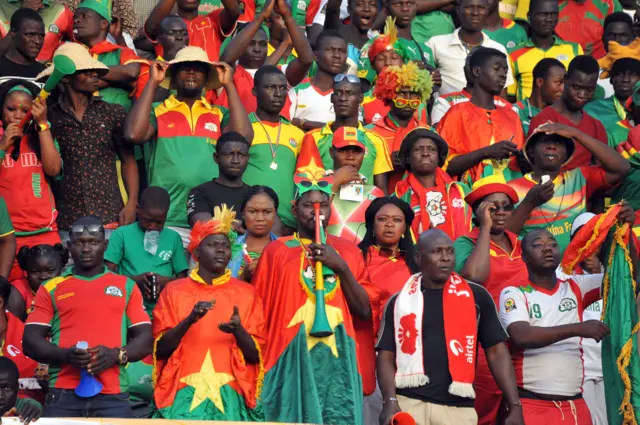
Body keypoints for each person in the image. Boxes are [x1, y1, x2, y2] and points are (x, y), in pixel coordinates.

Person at [252, 172, 374, 424]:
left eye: (324, 205)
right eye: (308, 205)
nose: (316, 211)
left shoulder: (349, 251)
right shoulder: (276, 251)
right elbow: (259, 311)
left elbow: (364, 311)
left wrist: (340, 266)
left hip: (336, 358)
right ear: (295, 211)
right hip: (287, 355)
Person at [376, 228, 524, 425]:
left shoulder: (476, 296)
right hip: (408, 404)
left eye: (450, 251)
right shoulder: (400, 301)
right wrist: (390, 401)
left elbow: (497, 351)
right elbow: (386, 356)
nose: (445, 258)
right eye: (437, 251)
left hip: (458, 409)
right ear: (419, 258)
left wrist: (514, 405)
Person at [497, 221, 632, 423]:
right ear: (523, 257)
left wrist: (626, 229)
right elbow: (521, 336)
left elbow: (627, 277)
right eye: (538, 245)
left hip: (576, 405)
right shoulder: (513, 293)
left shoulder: (577, 286)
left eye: (552, 244)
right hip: (532, 403)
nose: (547, 248)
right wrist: (579, 328)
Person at [23, 216, 153, 418]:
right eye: (78, 243)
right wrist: (66, 355)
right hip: (63, 393)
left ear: (105, 244)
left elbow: (145, 339)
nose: (86, 249)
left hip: (113, 395)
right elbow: (30, 341)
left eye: (93, 242)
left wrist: (115, 355)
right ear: (69, 246)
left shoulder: (126, 286)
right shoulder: (50, 288)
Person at [124, 47, 252, 246]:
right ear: (173, 76)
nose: (191, 73)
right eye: (184, 68)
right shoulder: (158, 110)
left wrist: (229, 85)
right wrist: (153, 82)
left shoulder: (218, 113)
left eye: (198, 69)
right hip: (167, 218)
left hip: (212, 218)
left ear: (206, 77)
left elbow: (243, 138)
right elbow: (133, 134)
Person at [152, 205, 266, 420]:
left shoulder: (247, 293)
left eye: (225, 245)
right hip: (181, 396)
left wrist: (238, 330)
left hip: (230, 396)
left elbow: (254, 355)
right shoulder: (174, 291)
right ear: (196, 252)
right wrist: (189, 321)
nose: (221, 250)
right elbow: (161, 350)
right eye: (213, 245)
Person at [44, 42, 139, 243]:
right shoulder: (50, 116)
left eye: (95, 72)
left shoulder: (111, 112)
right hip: (68, 220)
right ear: (67, 77)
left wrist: (131, 204)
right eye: (87, 72)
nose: (95, 76)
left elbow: (128, 160)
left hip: (110, 217)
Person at [453, 176, 528, 425]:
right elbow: (474, 276)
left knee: (519, 410)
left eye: (506, 207)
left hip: (524, 340)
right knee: (484, 410)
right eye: (492, 207)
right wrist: (484, 228)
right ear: (478, 211)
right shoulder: (466, 242)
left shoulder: (520, 244)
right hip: (487, 342)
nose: (501, 212)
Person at [508, 122, 629, 253]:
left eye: (558, 143)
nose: (552, 146)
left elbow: (622, 168)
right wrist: (529, 203)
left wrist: (577, 134)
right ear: (531, 152)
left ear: (566, 154)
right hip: (533, 269)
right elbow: (506, 235)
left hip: (574, 267)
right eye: (545, 142)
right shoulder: (513, 187)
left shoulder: (579, 177)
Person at [0, 80, 62, 282]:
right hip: (7, 237)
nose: (17, 115)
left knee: (49, 294)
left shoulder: (39, 133)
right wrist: (3, 146)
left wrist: (42, 124)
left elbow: (53, 169)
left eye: (25, 110)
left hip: (44, 233)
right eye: (11, 109)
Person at [438, 47, 524, 186]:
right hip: (467, 195)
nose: (503, 75)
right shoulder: (457, 113)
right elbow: (444, 166)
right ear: (477, 71)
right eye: (497, 69)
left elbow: (519, 167)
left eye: (505, 70)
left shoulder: (511, 115)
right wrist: (486, 152)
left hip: (509, 195)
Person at [105, 186, 189, 318]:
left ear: (167, 214)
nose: (153, 226)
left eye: (159, 222)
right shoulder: (121, 234)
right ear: (138, 209)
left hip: (164, 311)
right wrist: (134, 282)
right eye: (148, 220)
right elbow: (106, 277)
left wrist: (164, 282)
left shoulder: (173, 238)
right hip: (128, 310)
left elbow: (183, 281)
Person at [217, 0, 314, 113]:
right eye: (251, 44)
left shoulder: (278, 74)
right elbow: (227, 58)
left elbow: (307, 60)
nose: (257, 49)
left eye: (263, 44)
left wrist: (287, 15)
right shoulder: (230, 72)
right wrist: (261, 16)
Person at [301, 74, 392, 191]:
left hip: (363, 208)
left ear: (361, 98)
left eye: (350, 93)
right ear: (332, 98)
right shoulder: (312, 138)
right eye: (338, 93)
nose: (343, 98)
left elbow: (381, 189)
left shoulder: (376, 140)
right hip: (326, 206)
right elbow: (304, 185)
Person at [242, 66, 305, 232]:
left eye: (282, 88)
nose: (278, 93)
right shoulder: (244, 127)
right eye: (270, 87)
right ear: (255, 91)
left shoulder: (298, 134)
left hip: (288, 223)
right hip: (250, 221)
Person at [557, 212, 606, 425]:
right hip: (580, 368)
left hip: (608, 365)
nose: (590, 243)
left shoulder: (615, 270)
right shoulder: (561, 274)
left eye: (596, 236)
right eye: (583, 236)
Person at [528, 55, 609, 169]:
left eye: (589, 90)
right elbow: (534, 169)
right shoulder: (543, 120)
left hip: (586, 186)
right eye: (576, 87)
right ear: (565, 80)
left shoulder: (597, 127)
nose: (582, 95)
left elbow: (601, 169)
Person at [393, 127, 472, 240]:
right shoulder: (398, 197)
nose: (425, 153)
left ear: (439, 158)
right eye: (418, 149)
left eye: (431, 149)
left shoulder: (462, 191)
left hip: (462, 257)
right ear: (408, 158)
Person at [366, 62, 433, 191]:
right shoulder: (369, 133)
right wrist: (385, 163)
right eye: (401, 93)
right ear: (388, 95)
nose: (408, 99)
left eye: (413, 93)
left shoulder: (429, 133)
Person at [424, 0, 514, 96]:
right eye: (469, 7)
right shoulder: (436, 44)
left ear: (487, 11)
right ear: (458, 11)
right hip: (446, 109)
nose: (475, 13)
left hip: (486, 110)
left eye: (481, 8)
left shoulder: (498, 49)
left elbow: (502, 98)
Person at [72, 0, 141, 110]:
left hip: (120, 123)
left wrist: (85, 74)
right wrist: (120, 81)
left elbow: (132, 72)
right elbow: (74, 83)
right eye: (74, 17)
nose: (76, 20)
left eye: (84, 16)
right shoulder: (68, 51)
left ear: (103, 24)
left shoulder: (121, 52)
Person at [508, 0, 583, 101]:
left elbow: (579, 90)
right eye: (543, 14)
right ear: (529, 16)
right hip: (527, 115)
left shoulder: (574, 50)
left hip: (562, 115)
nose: (549, 19)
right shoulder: (513, 54)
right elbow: (510, 97)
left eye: (553, 14)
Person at [325, 127, 385, 243]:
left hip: (361, 258)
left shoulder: (375, 193)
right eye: (343, 150)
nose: (350, 156)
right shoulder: (316, 185)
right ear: (332, 152)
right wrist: (335, 182)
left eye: (357, 151)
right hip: (325, 255)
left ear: (364, 153)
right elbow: (314, 219)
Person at [358, 196, 417, 313]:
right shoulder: (357, 258)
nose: (389, 224)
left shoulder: (416, 260)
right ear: (372, 225)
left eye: (397, 220)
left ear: (405, 227)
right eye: (382, 219)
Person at [187, 132, 252, 227]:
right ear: (216, 158)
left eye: (241, 155)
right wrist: (245, 228)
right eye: (228, 154)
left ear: (248, 158)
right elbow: (205, 228)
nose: (236, 160)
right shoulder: (200, 192)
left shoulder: (254, 194)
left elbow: (273, 231)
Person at [144, 0, 242, 61]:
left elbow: (234, 12)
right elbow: (153, 26)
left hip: (209, 89)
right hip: (170, 87)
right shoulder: (166, 24)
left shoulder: (213, 20)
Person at [288, 30, 347, 131]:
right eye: (330, 50)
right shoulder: (297, 89)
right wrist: (327, 127)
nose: (337, 55)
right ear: (316, 55)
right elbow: (286, 123)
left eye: (342, 51)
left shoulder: (348, 94)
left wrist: (302, 123)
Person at [228, 186, 279, 281]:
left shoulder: (286, 249)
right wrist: (243, 276)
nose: (260, 218)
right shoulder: (227, 247)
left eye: (267, 212)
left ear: (275, 213)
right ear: (243, 213)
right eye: (253, 211)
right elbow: (217, 288)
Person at [0, 0, 73, 63]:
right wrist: (24, 13)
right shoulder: (2, 6)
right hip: (6, 74)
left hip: (45, 76)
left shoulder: (61, 11)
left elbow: (80, 43)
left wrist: (61, 54)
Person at [8, 244, 67, 321]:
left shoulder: (69, 286)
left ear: (61, 269)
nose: (43, 277)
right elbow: (13, 327)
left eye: (50, 271)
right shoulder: (18, 290)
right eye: (35, 272)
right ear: (27, 271)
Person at [585, 58, 640, 131]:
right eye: (619, 74)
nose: (625, 79)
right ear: (611, 79)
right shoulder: (591, 110)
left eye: (633, 75)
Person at [513, 58, 566, 134]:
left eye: (565, 83)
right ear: (540, 82)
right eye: (559, 82)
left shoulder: (564, 114)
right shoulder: (515, 111)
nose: (563, 88)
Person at [555, 0, 619, 59]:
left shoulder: (609, 3)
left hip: (601, 63)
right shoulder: (552, 4)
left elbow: (620, 36)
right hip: (561, 62)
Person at [0, 9, 46, 86]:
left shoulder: (45, 73)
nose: (38, 41)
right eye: (30, 35)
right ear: (13, 33)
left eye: (41, 36)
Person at [597, 12, 636, 98]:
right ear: (603, 38)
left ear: (633, 38)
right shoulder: (594, 69)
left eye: (623, 35)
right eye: (611, 35)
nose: (617, 40)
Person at [0, 357, 42, 424]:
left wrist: (33, 411)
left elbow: (33, 405)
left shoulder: (23, 406)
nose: (0, 396)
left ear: (17, 388)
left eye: (7, 388)